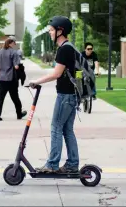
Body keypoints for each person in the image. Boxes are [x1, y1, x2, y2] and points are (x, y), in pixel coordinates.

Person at [29, 16, 80, 173]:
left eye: (51, 30)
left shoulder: (64, 49)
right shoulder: (70, 47)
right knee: (67, 129)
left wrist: (37, 81)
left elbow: (56, 74)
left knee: (56, 127)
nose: (50, 33)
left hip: (65, 96)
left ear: (60, 31)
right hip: (71, 95)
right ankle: (72, 164)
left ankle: (52, 164)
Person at [0, 38, 27, 121]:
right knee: (15, 97)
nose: (14, 45)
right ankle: (19, 114)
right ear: (10, 43)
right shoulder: (13, 52)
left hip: (2, 78)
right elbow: (16, 66)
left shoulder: (0, 52)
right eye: (14, 43)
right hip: (11, 78)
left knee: (0, 98)